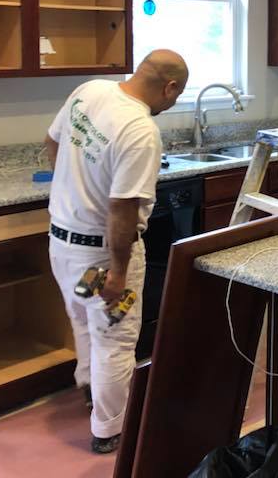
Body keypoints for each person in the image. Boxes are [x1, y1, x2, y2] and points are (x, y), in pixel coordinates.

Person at [45, 49, 188, 454]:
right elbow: (123, 208)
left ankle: (92, 393)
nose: (171, 104)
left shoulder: (89, 91)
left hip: (61, 243)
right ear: (170, 87)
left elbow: (53, 142)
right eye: (175, 97)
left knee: (85, 323)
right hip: (102, 256)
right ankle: (109, 431)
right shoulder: (140, 130)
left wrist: (74, 190)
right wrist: (120, 272)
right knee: (116, 340)